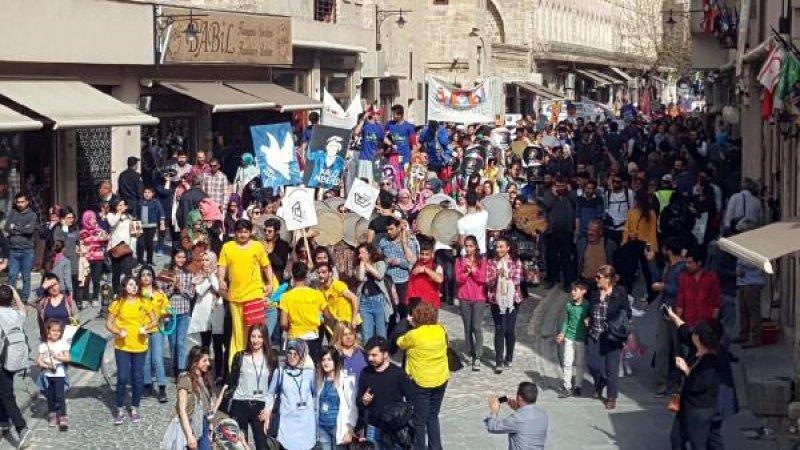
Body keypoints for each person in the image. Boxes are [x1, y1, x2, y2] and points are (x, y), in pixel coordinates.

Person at [218, 219, 274, 367]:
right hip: (235, 297)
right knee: (238, 334)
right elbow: (222, 267)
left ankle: (258, 363)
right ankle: (236, 366)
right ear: (235, 232)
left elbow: (266, 266)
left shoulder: (257, 246)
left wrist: (270, 283)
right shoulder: (227, 247)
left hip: (254, 295)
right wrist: (221, 280)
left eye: (245, 232)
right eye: (240, 232)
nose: (243, 235)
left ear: (250, 232)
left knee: (255, 333)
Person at [664, 308, 721, 450]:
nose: (692, 335)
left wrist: (685, 369)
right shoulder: (697, 349)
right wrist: (673, 316)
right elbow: (685, 330)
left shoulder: (711, 362)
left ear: (699, 339)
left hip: (699, 411)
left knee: (699, 444)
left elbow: (700, 385)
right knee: (676, 439)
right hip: (686, 407)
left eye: (695, 334)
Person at [396, 302, 449, 450]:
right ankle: (436, 447)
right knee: (433, 415)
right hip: (441, 378)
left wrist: (410, 325)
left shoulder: (414, 335)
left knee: (419, 420)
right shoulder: (441, 329)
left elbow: (400, 343)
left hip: (421, 382)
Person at [106, 276, 157, 425]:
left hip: (140, 345)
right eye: (130, 284)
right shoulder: (117, 303)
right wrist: (117, 330)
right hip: (122, 345)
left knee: (137, 377)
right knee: (122, 378)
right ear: (124, 286)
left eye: (135, 285)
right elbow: (108, 323)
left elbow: (154, 321)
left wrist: (145, 328)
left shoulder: (144, 302)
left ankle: (134, 408)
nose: (134, 287)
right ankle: (120, 410)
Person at [221, 325, 276, 450]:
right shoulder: (240, 356)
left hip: (260, 406)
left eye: (259, 337)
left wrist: (269, 409)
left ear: (265, 338)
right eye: (253, 336)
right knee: (239, 445)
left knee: (262, 445)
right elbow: (229, 383)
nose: (255, 340)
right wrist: (217, 406)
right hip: (240, 403)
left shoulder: (271, 359)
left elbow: (274, 388)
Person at [357, 336, 416, 450]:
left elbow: (412, 398)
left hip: (394, 429)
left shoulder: (398, 373)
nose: (370, 358)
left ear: (385, 354)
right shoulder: (365, 373)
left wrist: (402, 417)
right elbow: (358, 401)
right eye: (368, 355)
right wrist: (363, 400)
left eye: (374, 355)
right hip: (373, 427)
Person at [586, 265, 630, 410]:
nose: (596, 279)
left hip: (612, 336)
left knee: (611, 368)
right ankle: (600, 383)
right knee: (593, 365)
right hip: (595, 333)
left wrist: (623, 326)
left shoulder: (620, 292)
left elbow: (627, 312)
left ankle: (611, 397)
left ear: (609, 279)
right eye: (596, 276)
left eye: (599, 277)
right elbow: (589, 308)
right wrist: (587, 317)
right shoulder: (594, 291)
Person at [265, 339, 318, 450]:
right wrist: (268, 415)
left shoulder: (310, 373)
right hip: (287, 426)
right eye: (289, 353)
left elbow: (315, 397)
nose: (292, 356)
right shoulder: (280, 372)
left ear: (302, 354)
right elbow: (271, 394)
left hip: (306, 426)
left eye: (296, 353)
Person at [279, 261, 332, 362]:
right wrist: (319, 322)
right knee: (312, 368)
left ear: (292, 276)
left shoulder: (286, 296)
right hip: (313, 337)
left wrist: (289, 328)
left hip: (294, 337)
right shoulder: (317, 294)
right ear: (307, 275)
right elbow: (328, 316)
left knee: (295, 369)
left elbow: (283, 323)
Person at [487, 237, 523, 374]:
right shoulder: (492, 262)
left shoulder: (515, 262)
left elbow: (517, 280)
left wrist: (505, 276)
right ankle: (498, 361)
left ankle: (509, 356)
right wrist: (496, 277)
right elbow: (488, 282)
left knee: (509, 330)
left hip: (512, 300)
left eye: (501, 247)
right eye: (497, 247)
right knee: (499, 329)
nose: (498, 249)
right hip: (496, 301)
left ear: (508, 248)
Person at [0, 285, 30, 446]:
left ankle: (21, 428)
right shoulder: (16, 314)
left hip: (1, 359)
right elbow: (24, 310)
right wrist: (16, 294)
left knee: (6, 395)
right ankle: (3, 422)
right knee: (4, 391)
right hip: (13, 359)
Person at [190, 251, 226, 382]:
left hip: (217, 313)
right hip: (204, 315)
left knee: (217, 345)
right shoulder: (199, 276)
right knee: (205, 345)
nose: (204, 263)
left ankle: (218, 374)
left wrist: (211, 277)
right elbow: (199, 290)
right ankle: (204, 370)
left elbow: (218, 289)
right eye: (203, 260)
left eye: (207, 260)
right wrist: (206, 279)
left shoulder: (218, 276)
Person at [454, 235, 488, 371]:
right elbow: (458, 279)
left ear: (475, 247)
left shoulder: (482, 260)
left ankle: (478, 355)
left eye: (470, 246)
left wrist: (473, 271)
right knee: (467, 327)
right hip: (464, 297)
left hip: (479, 297)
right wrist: (466, 273)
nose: (468, 249)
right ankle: (470, 351)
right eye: (466, 246)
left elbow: (483, 278)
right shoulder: (459, 261)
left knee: (477, 327)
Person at [138, 265, 170, 404]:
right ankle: (147, 385)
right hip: (142, 330)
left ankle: (162, 387)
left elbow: (167, 306)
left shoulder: (159, 293)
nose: (146, 277)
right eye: (143, 275)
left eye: (149, 274)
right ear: (140, 278)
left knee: (157, 358)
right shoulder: (136, 293)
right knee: (145, 359)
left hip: (157, 329)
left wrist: (165, 313)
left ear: (153, 277)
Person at [619, 189, 658, 302]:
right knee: (630, 270)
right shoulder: (632, 212)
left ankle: (650, 293)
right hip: (634, 243)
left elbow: (652, 232)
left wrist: (652, 249)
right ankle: (628, 293)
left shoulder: (650, 213)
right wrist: (627, 239)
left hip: (643, 244)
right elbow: (627, 228)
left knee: (646, 271)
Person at [484, 382, 548, 450]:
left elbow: (492, 427)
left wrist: (494, 411)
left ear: (519, 397)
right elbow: (527, 423)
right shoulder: (543, 415)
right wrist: (519, 409)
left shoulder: (517, 418)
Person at [316, 347, 358, 449]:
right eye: (323, 360)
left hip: (338, 428)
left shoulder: (346, 380)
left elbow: (352, 407)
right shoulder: (319, 380)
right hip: (322, 427)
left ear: (336, 361)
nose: (326, 363)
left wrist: (350, 430)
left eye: (329, 359)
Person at [378, 219, 419, 324]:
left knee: (403, 308)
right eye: (387, 230)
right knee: (389, 309)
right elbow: (379, 259)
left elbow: (412, 263)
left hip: (403, 280)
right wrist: (387, 261)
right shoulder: (383, 242)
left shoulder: (409, 242)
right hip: (387, 280)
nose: (389, 232)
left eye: (391, 229)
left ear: (398, 228)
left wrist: (399, 262)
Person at [176, 346, 216, 450]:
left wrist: (210, 425)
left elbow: (208, 406)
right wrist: (190, 436)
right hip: (191, 426)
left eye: (208, 360)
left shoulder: (205, 378)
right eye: (204, 361)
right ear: (195, 362)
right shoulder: (185, 379)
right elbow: (182, 410)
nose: (208, 363)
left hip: (205, 424)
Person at [541, 176, 577, 291]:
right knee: (551, 257)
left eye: (563, 185)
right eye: (558, 186)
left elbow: (576, 202)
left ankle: (567, 283)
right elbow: (546, 206)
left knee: (566, 258)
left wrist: (569, 191)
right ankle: (552, 278)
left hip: (566, 232)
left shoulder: (570, 194)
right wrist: (554, 195)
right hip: (551, 232)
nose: (561, 188)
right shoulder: (548, 194)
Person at [556, 281, 590, 398]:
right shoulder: (569, 305)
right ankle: (567, 387)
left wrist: (589, 321)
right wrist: (562, 333)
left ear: (584, 291)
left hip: (581, 338)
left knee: (580, 363)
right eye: (572, 290)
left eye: (576, 290)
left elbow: (590, 319)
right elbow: (566, 321)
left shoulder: (587, 305)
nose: (573, 292)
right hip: (569, 337)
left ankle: (578, 385)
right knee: (567, 362)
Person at [37, 319, 71, 430]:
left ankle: (63, 417)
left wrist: (57, 357)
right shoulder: (43, 345)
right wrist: (46, 366)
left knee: (60, 396)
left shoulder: (63, 344)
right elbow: (39, 360)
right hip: (47, 375)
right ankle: (52, 414)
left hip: (59, 375)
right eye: (53, 330)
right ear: (48, 331)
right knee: (50, 396)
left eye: (58, 331)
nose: (56, 333)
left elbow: (68, 357)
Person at [5, 192, 39, 301]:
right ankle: (9, 298)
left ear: (27, 202)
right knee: (12, 276)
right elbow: (6, 228)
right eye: (18, 202)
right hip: (13, 250)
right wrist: (21, 228)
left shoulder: (32, 215)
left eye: (22, 202)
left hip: (27, 250)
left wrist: (15, 227)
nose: (19, 204)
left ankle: (24, 298)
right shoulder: (12, 213)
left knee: (26, 276)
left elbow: (29, 231)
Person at [676, 246, 720, 327]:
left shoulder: (711, 278)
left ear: (699, 263)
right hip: (689, 323)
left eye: (690, 262)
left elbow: (716, 302)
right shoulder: (683, 278)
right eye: (686, 262)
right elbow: (680, 302)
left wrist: (713, 322)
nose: (687, 265)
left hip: (706, 323)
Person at [355, 243, 390, 343]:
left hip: (378, 300)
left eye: (362, 253)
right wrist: (362, 263)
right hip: (364, 302)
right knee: (366, 334)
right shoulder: (358, 266)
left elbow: (379, 275)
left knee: (381, 333)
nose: (360, 255)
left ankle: (382, 355)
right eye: (359, 253)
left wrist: (367, 264)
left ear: (369, 253)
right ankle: (368, 356)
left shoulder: (380, 263)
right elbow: (361, 278)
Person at [107, 198, 138, 293]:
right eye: (120, 205)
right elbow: (112, 223)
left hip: (127, 246)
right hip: (116, 246)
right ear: (115, 206)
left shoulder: (129, 216)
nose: (122, 207)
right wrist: (119, 213)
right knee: (116, 271)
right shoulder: (111, 215)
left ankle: (129, 291)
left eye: (123, 205)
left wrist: (133, 247)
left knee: (128, 270)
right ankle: (116, 292)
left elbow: (133, 232)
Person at [78, 210, 108, 308]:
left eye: (94, 218)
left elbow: (105, 240)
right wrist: (82, 250)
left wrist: (103, 235)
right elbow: (80, 245)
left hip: (98, 258)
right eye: (91, 219)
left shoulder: (99, 230)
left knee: (96, 279)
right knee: (86, 280)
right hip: (87, 259)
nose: (94, 220)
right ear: (86, 220)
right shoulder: (82, 232)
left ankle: (95, 298)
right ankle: (85, 298)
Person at [735, 251, 765, 348]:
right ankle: (744, 335)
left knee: (753, 312)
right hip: (743, 283)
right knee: (743, 311)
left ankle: (755, 338)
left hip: (753, 282)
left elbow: (754, 263)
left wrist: (740, 264)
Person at [35, 273, 77, 341]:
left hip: (66, 341)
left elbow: (76, 320)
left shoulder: (68, 301)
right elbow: (29, 302)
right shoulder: (43, 301)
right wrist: (42, 287)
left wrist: (72, 334)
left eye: (55, 284)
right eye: (50, 286)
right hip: (49, 342)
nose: (53, 288)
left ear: (59, 284)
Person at [406, 240, 444, 308]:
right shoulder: (415, 264)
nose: (424, 257)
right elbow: (407, 253)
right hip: (415, 302)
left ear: (432, 254)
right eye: (422, 254)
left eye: (427, 254)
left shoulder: (436, 267)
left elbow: (440, 279)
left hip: (430, 304)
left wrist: (425, 270)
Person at [52, 208, 79, 299]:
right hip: (62, 259)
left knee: (74, 278)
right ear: (62, 218)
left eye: (72, 217)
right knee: (63, 280)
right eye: (68, 218)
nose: (71, 220)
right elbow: (58, 241)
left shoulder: (75, 228)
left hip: (74, 258)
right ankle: (62, 298)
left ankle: (74, 299)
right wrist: (64, 229)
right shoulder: (58, 228)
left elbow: (77, 241)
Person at [137, 186, 166, 266]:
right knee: (140, 244)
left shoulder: (155, 202)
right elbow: (135, 214)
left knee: (149, 244)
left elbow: (161, 212)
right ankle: (140, 260)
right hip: (140, 226)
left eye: (149, 192)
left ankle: (149, 261)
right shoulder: (140, 202)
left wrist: (162, 224)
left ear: (153, 194)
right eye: (145, 192)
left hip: (151, 226)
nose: (147, 194)